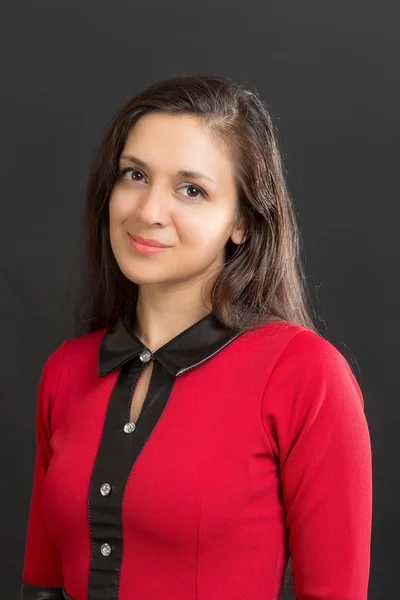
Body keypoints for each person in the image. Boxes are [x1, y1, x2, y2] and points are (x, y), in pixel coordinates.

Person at [20, 75, 372, 600]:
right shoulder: (65, 371)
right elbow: (42, 585)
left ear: (244, 223)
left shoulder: (306, 376)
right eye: (134, 175)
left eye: (192, 190)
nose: (147, 212)